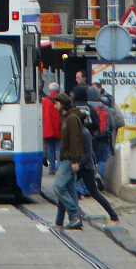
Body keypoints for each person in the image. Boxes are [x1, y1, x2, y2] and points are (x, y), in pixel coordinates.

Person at [53, 93, 85, 230]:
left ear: (62, 104)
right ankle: (73, 220)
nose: (54, 106)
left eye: (56, 103)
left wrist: (75, 160)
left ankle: (75, 211)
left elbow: (75, 140)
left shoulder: (72, 118)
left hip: (69, 159)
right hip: (67, 158)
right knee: (70, 190)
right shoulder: (66, 117)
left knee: (58, 186)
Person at [76, 122, 119, 224]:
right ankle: (74, 213)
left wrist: (81, 164)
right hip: (83, 167)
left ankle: (114, 216)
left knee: (94, 193)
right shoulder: (83, 132)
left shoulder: (84, 133)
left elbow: (88, 153)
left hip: (85, 168)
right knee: (66, 187)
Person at [87, 85, 114, 178]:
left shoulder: (87, 107)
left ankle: (89, 181)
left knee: (90, 161)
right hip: (103, 138)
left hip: (90, 138)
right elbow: (112, 124)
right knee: (102, 160)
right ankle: (98, 176)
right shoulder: (104, 107)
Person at [42, 82, 62, 175]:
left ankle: (51, 168)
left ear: (49, 90)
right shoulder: (62, 99)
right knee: (59, 148)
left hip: (49, 128)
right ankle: (59, 166)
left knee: (51, 148)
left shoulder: (45, 100)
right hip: (59, 127)